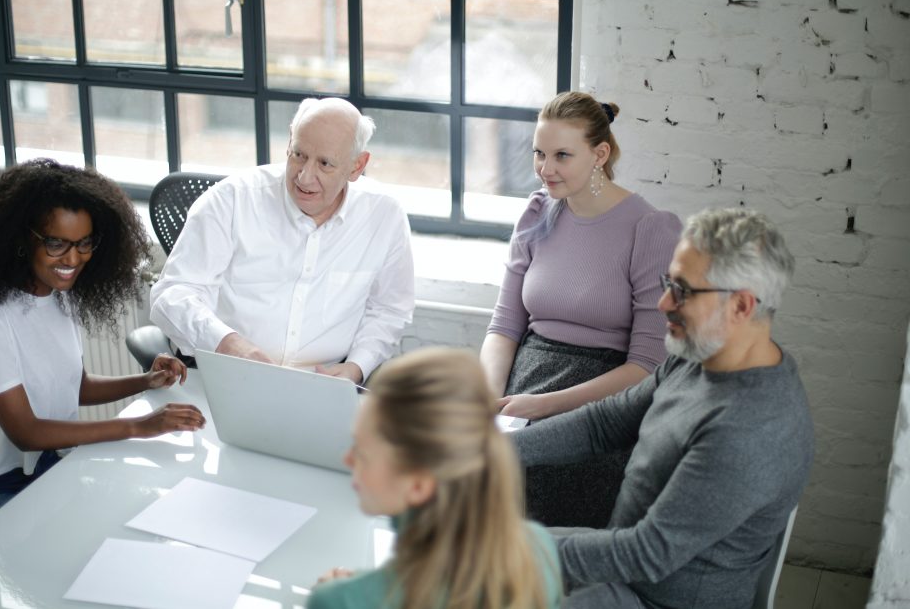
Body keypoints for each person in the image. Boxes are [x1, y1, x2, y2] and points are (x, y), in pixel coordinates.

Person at [513, 208, 814, 609]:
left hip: (656, 596)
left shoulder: (750, 429)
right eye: (669, 282)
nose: (663, 303)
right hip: (626, 567)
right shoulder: (698, 354)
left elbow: (647, 553)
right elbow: (603, 424)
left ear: (741, 306)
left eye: (684, 291)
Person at [0, 159, 206, 546]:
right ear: (21, 238)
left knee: (118, 534)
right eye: (56, 243)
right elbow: (26, 432)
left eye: (84, 244)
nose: (73, 259)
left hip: (40, 467)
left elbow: (74, 387)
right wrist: (138, 427)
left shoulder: (60, 294)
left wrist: (145, 381)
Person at [480, 90, 681, 528]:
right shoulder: (537, 212)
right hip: (523, 389)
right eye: (538, 153)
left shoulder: (651, 229)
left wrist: (543, 407)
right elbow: (505, 324)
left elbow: (647, 365)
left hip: (601, 408)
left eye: (561, 156)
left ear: (599, 154)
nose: (544, 169)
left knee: (541, 513)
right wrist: (489, 399)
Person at [150, 97, 414, 385]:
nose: (304, 176)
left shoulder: (384, 216)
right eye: (299, 154)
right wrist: (228, 344)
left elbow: (388, 310)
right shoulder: (232, 199)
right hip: (223, 373)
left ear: (357, 166)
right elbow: (172, 294)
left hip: (322, 384)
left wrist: (356, 367)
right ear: (290, 139)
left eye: (325, 163)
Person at [308, 347, 563, 609]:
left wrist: (346, 594)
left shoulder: (341, 599)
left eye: (362, 452)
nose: (348, 460)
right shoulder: (539, 547)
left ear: (418, 485)